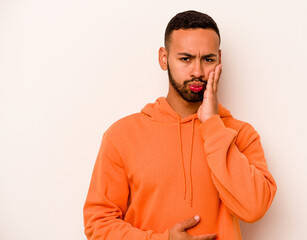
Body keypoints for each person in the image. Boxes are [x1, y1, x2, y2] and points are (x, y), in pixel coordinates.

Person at [83, 10, 277, 240]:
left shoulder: (242, 134)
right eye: (185, 59)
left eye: (208, 59)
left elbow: (254, 209)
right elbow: (98, 224)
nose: (198, 72)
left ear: (219, 59)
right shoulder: (122, 135)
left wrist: (213, 125)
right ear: (164, 58)